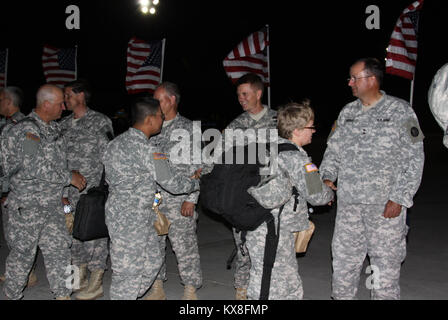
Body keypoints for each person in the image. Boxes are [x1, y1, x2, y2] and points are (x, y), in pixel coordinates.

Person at [320, 57, 425, 300]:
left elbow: (415, 158)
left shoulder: (402, 111)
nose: (350, 83)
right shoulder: (347, 113)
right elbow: (332, 152)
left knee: (384, 274)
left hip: (384, 210)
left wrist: (399, 197)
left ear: (372, 80)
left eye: (354, 78)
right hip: (349, 209)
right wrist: (326, 179)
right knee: (343, 269)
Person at [102, 97, 200, 300]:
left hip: (131, 214)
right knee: (127, 271)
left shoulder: (114, 144)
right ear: (150, 119)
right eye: (160, 117)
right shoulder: (148, 150)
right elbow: (170, 182)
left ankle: (129, 294)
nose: (162, 121)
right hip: (130, 217)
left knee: (154, 260)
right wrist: (193, 183)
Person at [1, 84, 87, 300]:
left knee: (60, 253)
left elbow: (58, 164)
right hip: (28, 208)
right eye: (60, 103)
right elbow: (32, 166)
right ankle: (11, 295)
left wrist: (64, 194)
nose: (64, 107)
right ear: (47, 104)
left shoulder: (53, 129)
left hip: (53, 207)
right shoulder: (25, 130)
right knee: (22, 258)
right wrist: (69, 177)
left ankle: (62, 295)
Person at [245, 101, 333, 299]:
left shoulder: (268, 148)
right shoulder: (295, 158)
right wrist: (329, 193)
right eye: (311, 127)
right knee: (268, 287)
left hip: (262, 226)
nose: (313, 131)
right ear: (298, 130)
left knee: (286, 284)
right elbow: (317, 195)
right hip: (273, 232)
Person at [145, 82, 202, 300]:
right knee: (154, 245)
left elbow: (198, 167)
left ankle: (190, 288)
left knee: (184, 246)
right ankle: (157, 286)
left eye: (159, 99)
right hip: (154, 199)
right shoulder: (151, 128)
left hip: (180, 199)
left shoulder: (189, 128)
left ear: (172, 100)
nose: (155, 104)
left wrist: (192, 198)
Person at [59, 79, 114, 300]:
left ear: (81, 96)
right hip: (67, 192)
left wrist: (103, 190)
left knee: (95, 237)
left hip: (91, 192)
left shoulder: (100, 122)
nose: (65, 99)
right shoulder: (62, 125)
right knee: (71, 236)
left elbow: (110, 157)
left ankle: (96, 281)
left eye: (68, 95)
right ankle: (77, 277)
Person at [225, 73, 277, 300]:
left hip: (275, 197)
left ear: (258, 93)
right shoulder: (236, 125)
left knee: (273, 249)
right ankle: (242, 290)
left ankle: (270, 289)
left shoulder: (278, 121)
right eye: (238, 95)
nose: (240, 99)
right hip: (244, 198)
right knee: (244, 247)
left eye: (245, 94)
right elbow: (219, 157)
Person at [0, 86, 27, 284]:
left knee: (18, 235)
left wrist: (9, 189)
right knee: (10, 234)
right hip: (5, 187)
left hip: (15, 191)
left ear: (9, 101)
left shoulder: (23, 125)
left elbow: (25, 162)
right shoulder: (5, 124)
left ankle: (22, 274)